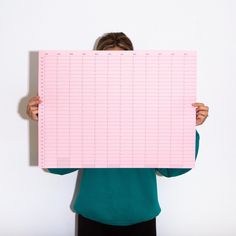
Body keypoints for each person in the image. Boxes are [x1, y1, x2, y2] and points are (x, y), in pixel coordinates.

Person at [26, 32, 209, 236]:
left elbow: (172, 170)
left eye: (121, 63)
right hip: (92, 218)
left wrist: (186, 126)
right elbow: (58, 168)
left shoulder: (151, 109)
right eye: (107, 63)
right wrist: (47, 121)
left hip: (142, 218)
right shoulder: (84, 110)